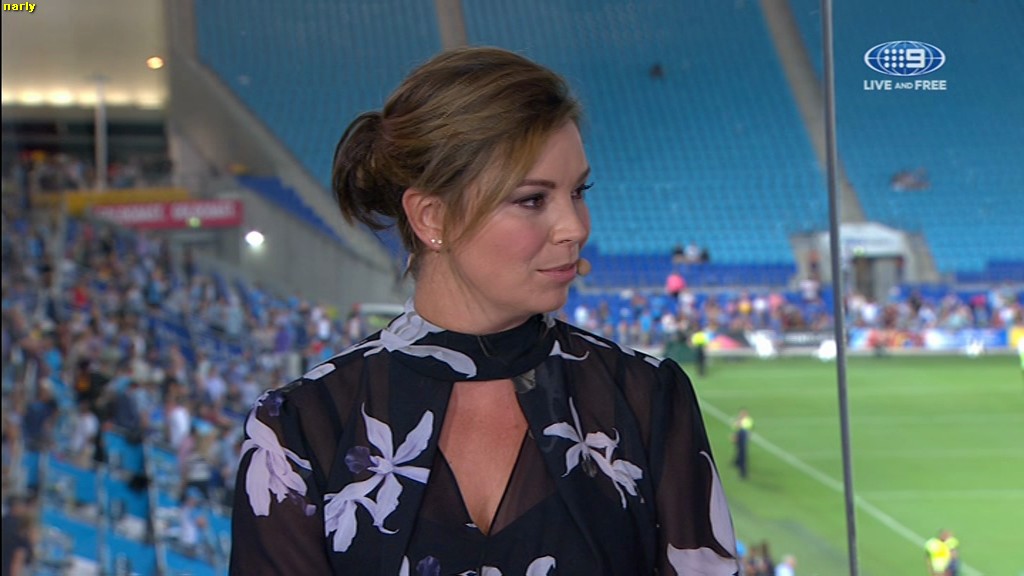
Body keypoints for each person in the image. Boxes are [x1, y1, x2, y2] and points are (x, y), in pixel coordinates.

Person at [230, 46, 739, 575]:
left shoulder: (647, 397)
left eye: (578, 192)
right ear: (432, 216)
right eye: (532, 199)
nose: (576, 227)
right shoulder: (299, 428)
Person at [731, 409, 754, 479]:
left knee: (742, 455)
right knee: (739, 453)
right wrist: (734, 435)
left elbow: (747, 429)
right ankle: (737, 464)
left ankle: (742, 471)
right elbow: (735, 427)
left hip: (742, 439)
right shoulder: (738, 421)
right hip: (739, 439)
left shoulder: (747, 421)